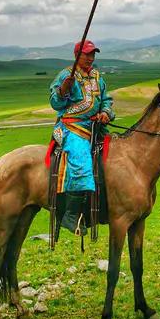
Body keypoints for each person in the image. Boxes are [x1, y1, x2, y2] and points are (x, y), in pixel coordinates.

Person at [49, 40, 114, 233]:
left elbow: (106, 99)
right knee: (81, 161)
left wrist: (106, 113)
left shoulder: (96, 76)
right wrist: (63, 91)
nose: (91, 58)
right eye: (87, 54)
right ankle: (70, 215)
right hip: (72, 127)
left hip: (95, 127)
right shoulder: (66, 75)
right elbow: (55, 103)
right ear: (77, 55)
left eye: (93, 54)